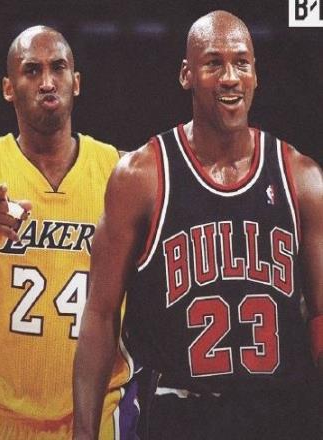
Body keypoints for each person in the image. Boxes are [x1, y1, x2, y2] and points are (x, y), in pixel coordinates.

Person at [73, 10, 322, 440]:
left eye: (241, 63)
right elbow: (100, 314)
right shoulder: (141, 176)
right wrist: (84, 433)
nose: (230, 78)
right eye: (213, 63)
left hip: (277, 415)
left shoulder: (301, 177)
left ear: (256, 74)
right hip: (177, 412)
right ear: (186, 74)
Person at [0, 25, 138, 439]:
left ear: (76, 82)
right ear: (8, 88)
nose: (47, 81)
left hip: (102, 417)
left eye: (58, 68)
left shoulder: (121, 173)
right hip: (6, 420)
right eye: (31, 70)